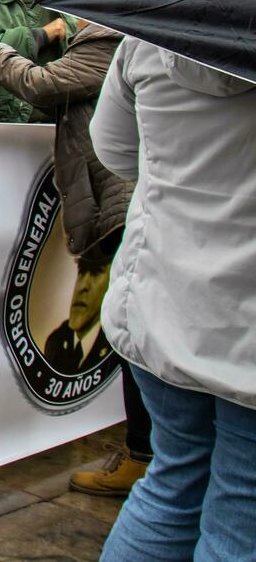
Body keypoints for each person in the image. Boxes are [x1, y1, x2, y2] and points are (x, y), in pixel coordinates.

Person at [0, 21, 147, 493]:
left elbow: (41, 85)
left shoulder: (112, 37)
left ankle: (145, 454)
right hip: (123, 201)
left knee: (134, 329)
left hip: (121, 206)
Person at [92, 40, 256, 559]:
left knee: (172, 482)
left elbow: (114, 149)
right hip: (239, 328)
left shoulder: (147, 38)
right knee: (241, 508)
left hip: (161, 298)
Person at [42, 250, 114, 375]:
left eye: (96, 273)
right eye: (82, 271)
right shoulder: (56, 340)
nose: (82, 287)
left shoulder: (116, 339)